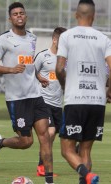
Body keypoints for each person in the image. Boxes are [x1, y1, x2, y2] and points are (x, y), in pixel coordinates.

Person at [0, 2, 54, 184]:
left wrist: (38, 77)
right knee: (26, 142)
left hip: (36, 95)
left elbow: (30, 66)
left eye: (22, 13)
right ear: (10, 18)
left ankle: (49, 181)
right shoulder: (4, 39)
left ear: (26, 16)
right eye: (15, 13)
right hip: (17, 99)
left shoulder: (32, 38)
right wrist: (10, 70)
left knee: (45, 138)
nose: (19, 16)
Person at [55, 0, 111, 184]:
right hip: (97, 101)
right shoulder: (104, 39)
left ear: (76, 15)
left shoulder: (67, 36)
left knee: (67, 150)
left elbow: (59, 68)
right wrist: (108, 89)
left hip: (75, 100)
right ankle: (87, 180)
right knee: (85, 150)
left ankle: (87, 176)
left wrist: (64, 85)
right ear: (93, 16)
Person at [34, 27, 67, 177]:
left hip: (58, 104)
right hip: (43, 101)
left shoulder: (66, 59)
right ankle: (42, 167)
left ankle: (44, 163)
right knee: (50, 132)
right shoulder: (43, 56)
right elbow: (30, 71)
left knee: (62, 136)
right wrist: (39, 78)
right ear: (54, 40)